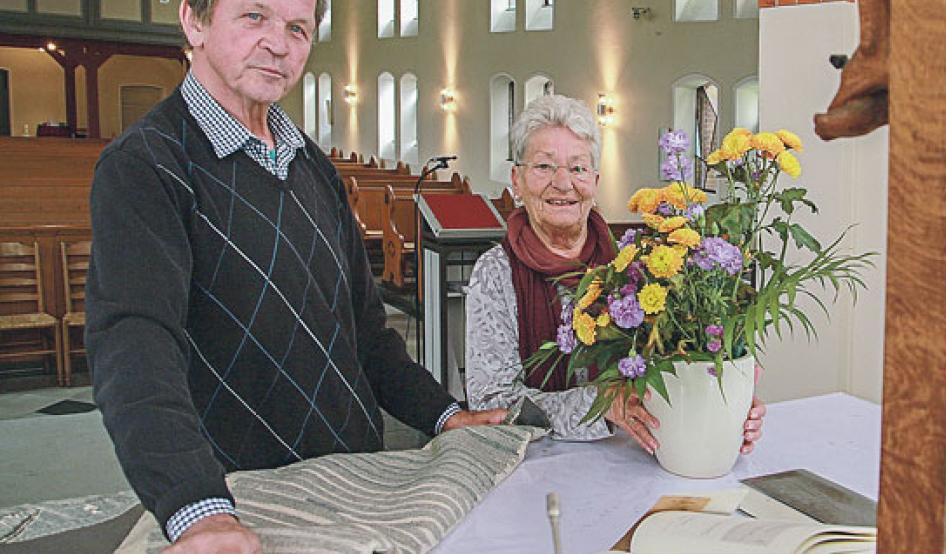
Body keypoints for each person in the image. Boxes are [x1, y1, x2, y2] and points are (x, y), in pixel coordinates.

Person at [85, 0, 505, 551]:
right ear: (194, 20)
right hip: (241, 499)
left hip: (354, 483)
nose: (279, 44)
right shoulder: (147, 164)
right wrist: (196, 508)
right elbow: (136, 346)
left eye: (298, 28)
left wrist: (444, 415)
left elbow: (367, 334)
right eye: (254, 16)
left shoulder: (311, 165)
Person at [465, 94, 765, 454]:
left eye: (578, 168)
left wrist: (725, 398)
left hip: (639, 453)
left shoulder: (635, 262)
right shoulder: (496, 273)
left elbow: (679, 361)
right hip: (535, 461)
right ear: (517, 180)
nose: (563, 183)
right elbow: (492, 403)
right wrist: (601, 404)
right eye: (544, 166)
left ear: (595, 181)